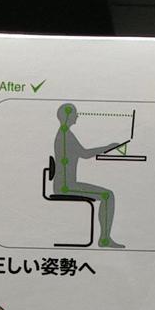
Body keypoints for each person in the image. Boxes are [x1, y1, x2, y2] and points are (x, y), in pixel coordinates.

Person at [52, 102, 123, 248]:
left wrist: (107, 148)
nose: (77, 116)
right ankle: (104, 239)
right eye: (75, 113)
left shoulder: (65, 134)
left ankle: (105, 238)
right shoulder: (65, 135)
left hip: (67, 184)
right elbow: (84, 154)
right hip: (65, 187)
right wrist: (108, 147)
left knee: (107, 195)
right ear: (67, 115)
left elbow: (82, 153)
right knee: (107, 196)